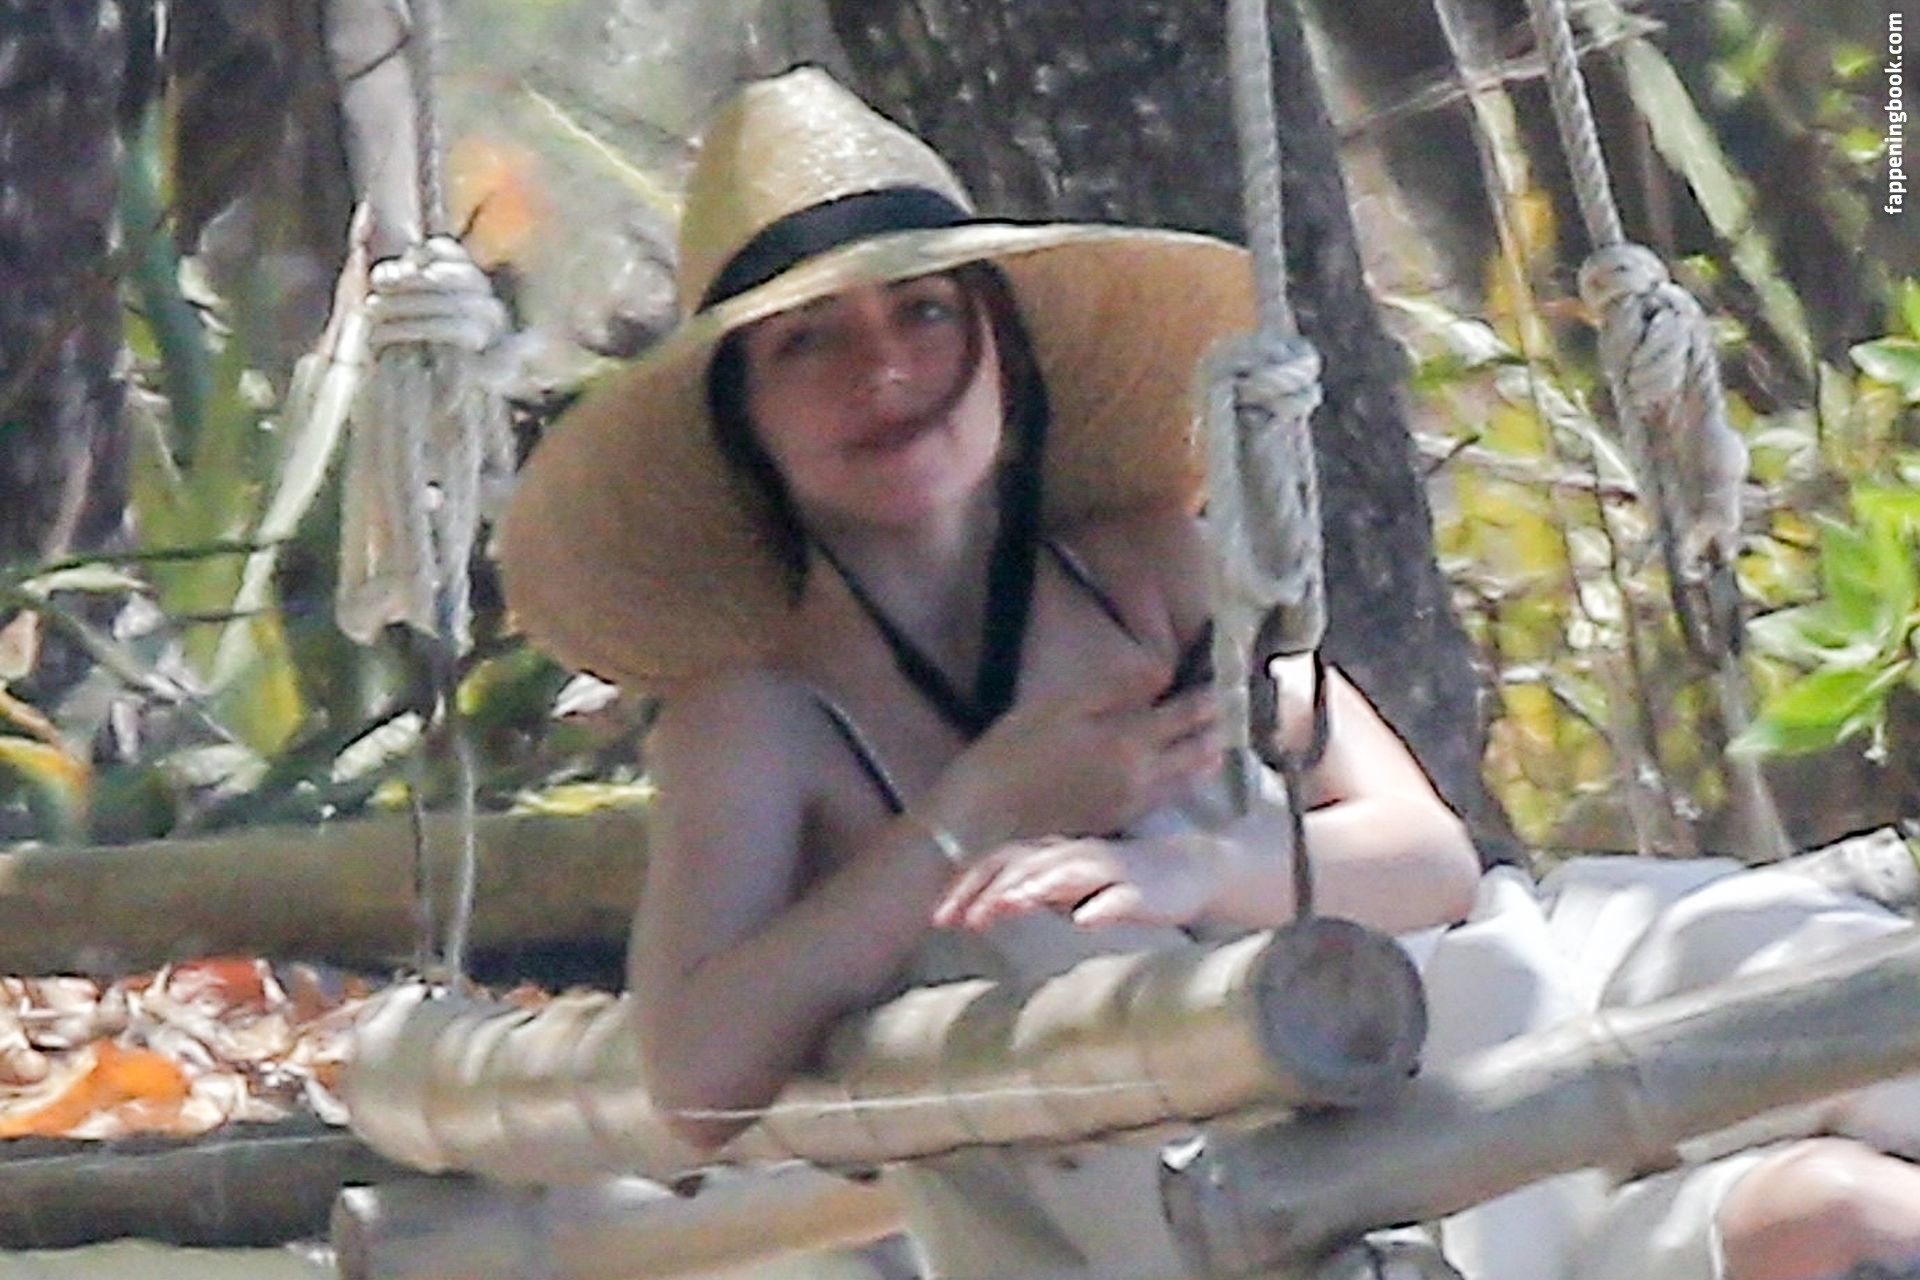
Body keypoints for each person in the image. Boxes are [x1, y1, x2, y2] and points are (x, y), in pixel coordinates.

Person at [497, 67, 1920, 1280]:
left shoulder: (1153, 570)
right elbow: (694, 1079)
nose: (885, 371)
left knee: (1845, 1150)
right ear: (741, 415)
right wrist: (974, 815)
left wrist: (1193, 869)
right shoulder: (758, 721)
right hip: (1241, 1223)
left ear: (1004, 351)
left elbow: (1426, 858)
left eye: (925, 313)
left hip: (1481, 1064)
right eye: (810, 343)